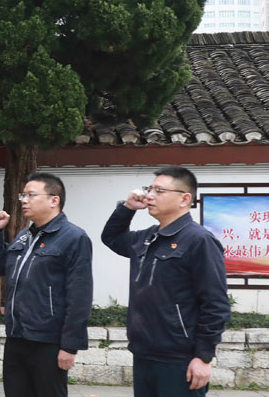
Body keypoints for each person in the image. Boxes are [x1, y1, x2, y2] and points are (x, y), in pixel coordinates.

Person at [101, 166, 230, 396]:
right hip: (144, 353)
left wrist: (203, 357)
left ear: (184, 199)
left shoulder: (199, 240)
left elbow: (215, 303)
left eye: (159, 191)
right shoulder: (147, 237)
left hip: (179, 359)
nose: (150, 196)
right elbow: (111, 238)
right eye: (149, 189)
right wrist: (127, 208)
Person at [0, 172, 92, 397]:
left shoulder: (73, 237)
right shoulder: (25, 237)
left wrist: (70, 345)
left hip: (48, 340)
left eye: (31, 195)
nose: (24, 200)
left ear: (54, 200)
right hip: (17, 336)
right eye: (23, 195)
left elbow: (80, 295)